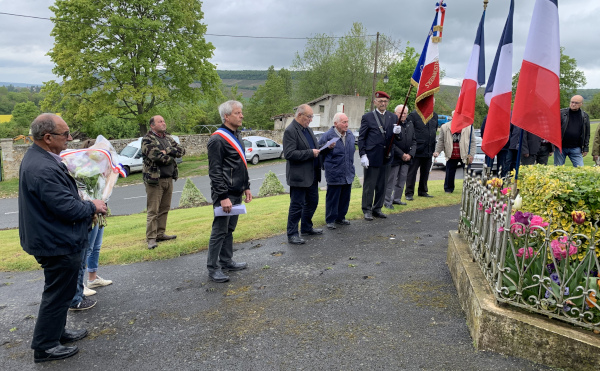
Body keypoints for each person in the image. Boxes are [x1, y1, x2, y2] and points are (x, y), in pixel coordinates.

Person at [18, 113, 108, 363]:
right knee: (57, 294)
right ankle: (45, 346)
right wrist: (93, 206)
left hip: (53, 237)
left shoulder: (41, 158)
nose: (69, 139)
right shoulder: (44, 167)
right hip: (56, 242)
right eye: (65, 134)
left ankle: (56, 333)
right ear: (47, 138)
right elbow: (66, 208)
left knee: (63, 291)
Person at [206, 100, 252, 283]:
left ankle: (226, 261)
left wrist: (246, 186)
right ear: (226, 116)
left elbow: (241, 164)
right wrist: (223, 197)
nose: (241, 115)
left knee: (229, 229)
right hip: (224, 194)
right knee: (219, 230)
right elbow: (215, 172)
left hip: (236, 191)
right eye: (237, 113)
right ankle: (213, 268)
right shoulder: (217, 139)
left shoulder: (237, 135)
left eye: (241, 112)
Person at [142, 115, 185, 249]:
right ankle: (151, 238)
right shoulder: (147, 139)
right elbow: (156, 157)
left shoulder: (168, 138)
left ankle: (160, 233)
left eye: (164, 121)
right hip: (155, 180)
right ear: (152, 125)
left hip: (168, 178)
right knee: (153, 210)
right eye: (160, 122)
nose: (163, 123)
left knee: (164, 208)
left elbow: (182, 151)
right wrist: (172, 156)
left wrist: (167, 150)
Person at [284, 104, 323, 244]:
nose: (311, 119)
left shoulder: (307, 129)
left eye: (311, 116)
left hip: (312, 174)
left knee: (312, 202)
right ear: (299, 115)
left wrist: (325, 148)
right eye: (309, 116)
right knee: (297, 205)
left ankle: (306, 227)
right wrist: (310, 153)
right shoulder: (290, 130)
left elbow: (314, 148)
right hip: (299, 177)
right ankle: (292, 233)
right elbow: (289, 153)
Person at [358, 91, 400, 220]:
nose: (383, 103)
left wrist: (398, 133)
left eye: (385, 101)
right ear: (375, 102)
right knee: (370, 185)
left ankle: (378, 208)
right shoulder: (368, 117)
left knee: (382, 184)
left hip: (386, 156)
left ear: (388, 103)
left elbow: (397, 138)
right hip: (372, 156)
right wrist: (363, 154)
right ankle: (367, 209)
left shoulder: (393, 117)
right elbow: (362, 138)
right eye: (380, 101)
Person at [318, 112, 355, 230]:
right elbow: (319, 152)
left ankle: (341, 217)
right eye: (344, 122)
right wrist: (327, 148)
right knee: (333, 197)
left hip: (347, 172)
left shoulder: (350, 134)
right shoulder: (327, 136)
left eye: (347, 122)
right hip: (334, 172)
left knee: (345, 197)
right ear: (335, 123)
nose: (347, 124)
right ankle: (330, 219)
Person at [384, 104, 415, 208]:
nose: (403, 115)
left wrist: (410, 154)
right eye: (400, 113)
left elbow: (414, 141)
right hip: (395, 157)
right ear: (395, 113)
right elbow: (391, 142)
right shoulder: (392, 125)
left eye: (405, 113)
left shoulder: (410, 124)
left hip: (407, 158)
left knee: (402, 179)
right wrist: (401, 154)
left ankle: (397, 199)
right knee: (391, 181)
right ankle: (387, 201)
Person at [404, 108, 438, 200]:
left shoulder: (434, 115)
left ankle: (423, 191)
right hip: (416, 150)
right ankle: (409, 193)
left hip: (429, 149)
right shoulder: (413, 115)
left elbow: (434, 130)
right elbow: (409, 131)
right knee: (412, 173)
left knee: (425, 172)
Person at [434, 120, 476, 193]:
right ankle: (448, 189)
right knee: (449, 173)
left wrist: (471, 154)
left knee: (468, 173)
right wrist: (437, 151)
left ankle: (469, 189)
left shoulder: (469, 127)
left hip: (465, 155)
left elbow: (472, 142)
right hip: (451, 154)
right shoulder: (445, 127)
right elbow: (441, 141)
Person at [554, 95, 590, 167]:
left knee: (580, 169)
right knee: (558, 169)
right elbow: (554, 129)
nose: (573, 104)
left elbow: (587, 133)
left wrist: (585, 148)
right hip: (561, 147)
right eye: (572, 102)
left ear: (581, 104)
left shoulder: (585, 116)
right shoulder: (561, 113)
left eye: (576, 103)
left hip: (576, 148)